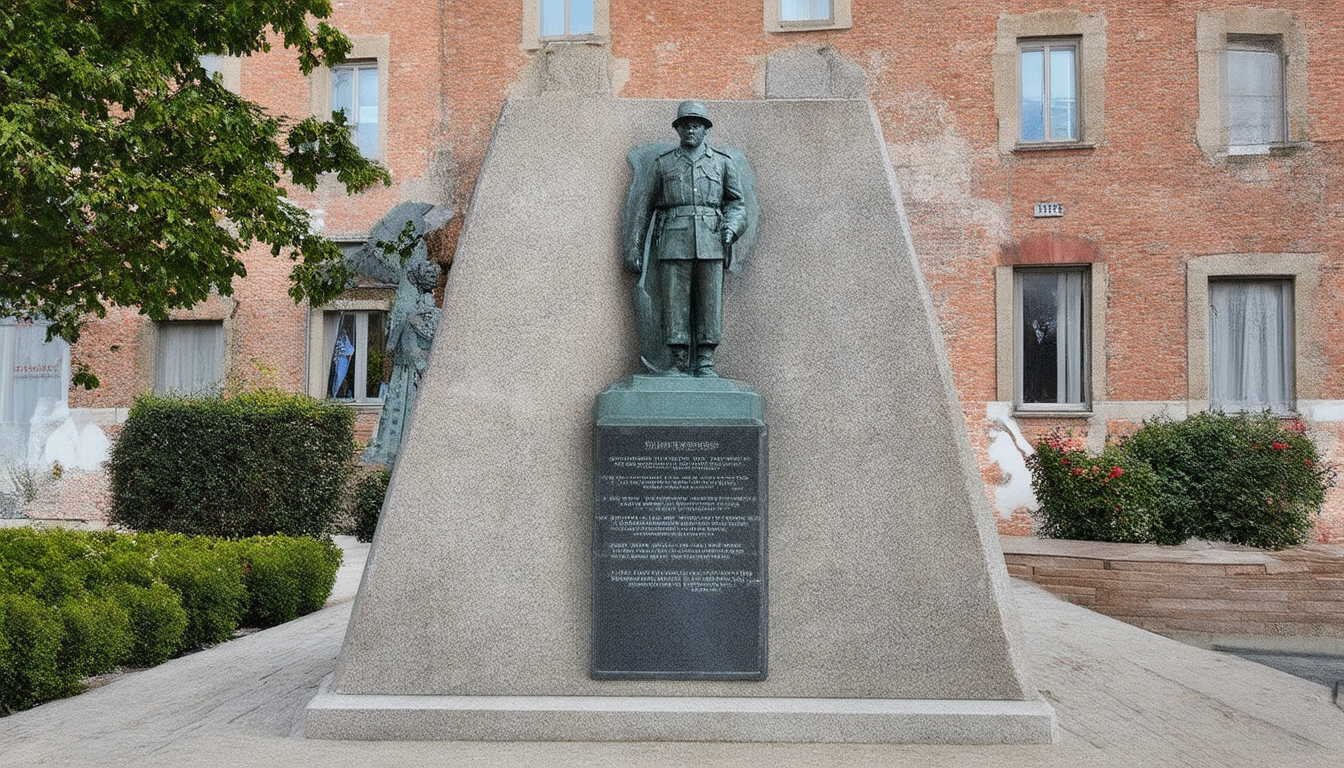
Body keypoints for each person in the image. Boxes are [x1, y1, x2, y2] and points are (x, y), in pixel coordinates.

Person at [623, 101, 747, 377]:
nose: (691, 129)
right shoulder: (663, 164)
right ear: (678, 130)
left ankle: (705, 360)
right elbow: (644, 207)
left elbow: (737, 203)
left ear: (705, 131)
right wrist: (633, 246)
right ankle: (678, 360)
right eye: (686, 125)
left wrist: (731, 228)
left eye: (697, 125)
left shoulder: (722, 163)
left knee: (709, 301)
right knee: (674, 302)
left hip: (712, 239)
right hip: (673, 240)